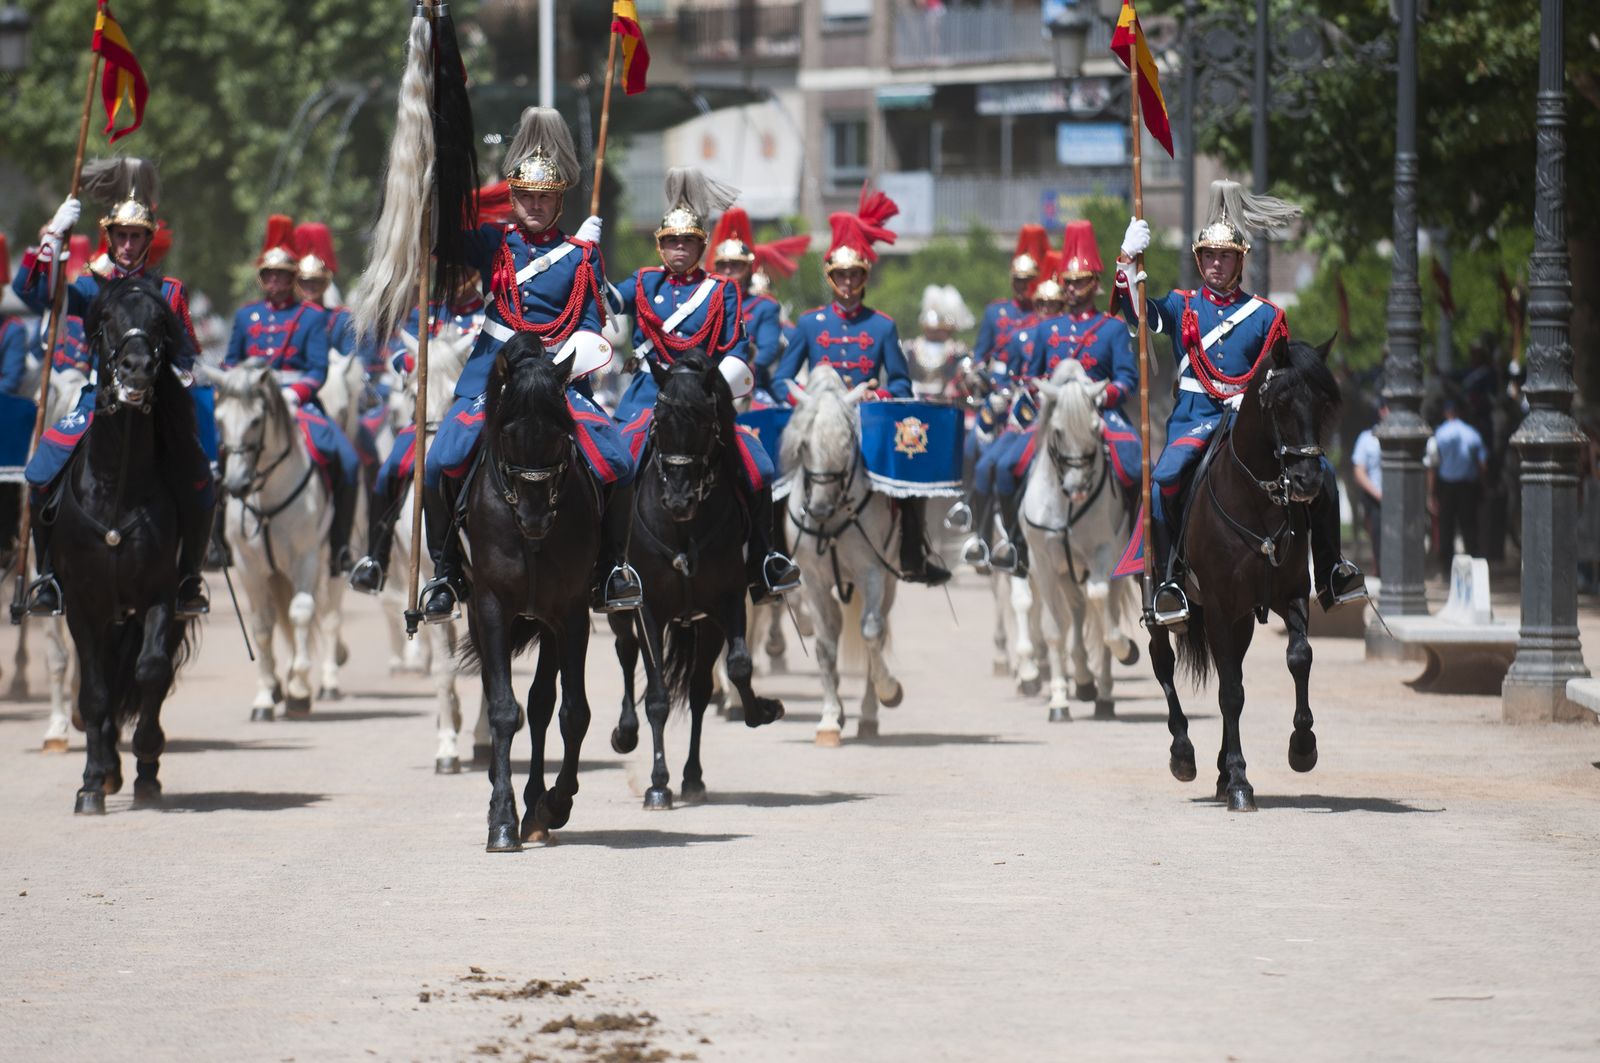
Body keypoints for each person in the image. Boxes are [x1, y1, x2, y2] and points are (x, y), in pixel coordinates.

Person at [352, 107, 632, 620]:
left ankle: (611, 568)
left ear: (559, 199)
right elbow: (438, 239)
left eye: (544, 198)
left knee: (618, 462)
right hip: (493, 378)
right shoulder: (493, 244)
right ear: (513, 197)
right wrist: (427, 180)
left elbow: (591, 321)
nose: (534, 206)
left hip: (556, 380)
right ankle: (446, 574)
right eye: (525, 196)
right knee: (438, 463)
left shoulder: (581, 255)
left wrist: (566, 364)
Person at [1116, 179, 1366, 625]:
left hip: (1250, 421)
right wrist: (1126, 260)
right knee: (1162, 484)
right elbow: (1136, 314)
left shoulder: (1267, 316)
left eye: (1225, 256)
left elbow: (1286, 376)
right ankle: (1171, 580)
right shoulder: (1181, 305)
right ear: (1198, 259)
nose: (1216, 263)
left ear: (1240, 261)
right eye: (1209, 255)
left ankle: (1330, 571)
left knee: (1323, 475)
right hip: (1195, 419)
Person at [11, 158, 213, 619]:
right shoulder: (90, 288)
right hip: (100, 398)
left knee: (201, 479)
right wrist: (49, 239)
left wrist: (182, 375)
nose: (127, 244)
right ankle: (49, 579)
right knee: (42, 470)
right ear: (110, 238)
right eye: (120, 235)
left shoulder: (168, 291)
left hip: (156, 403)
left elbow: (187, 353)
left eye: (135, 236)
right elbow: (32, 294)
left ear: (147, 240)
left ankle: (188, 579)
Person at [612, 172, 800, 604]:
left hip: (702, 403)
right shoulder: (642, 283)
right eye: (672, 242)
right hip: (647, 397)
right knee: (613, 464)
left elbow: (736, 345)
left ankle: (764, 564)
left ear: (702, 248)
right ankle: (610, 564)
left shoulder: (721, 290)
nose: (679, 250)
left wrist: (714, 390)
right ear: (660, 246)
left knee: (760, 467)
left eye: (688, 243)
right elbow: (602, 300)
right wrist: (586, 261)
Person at [771, 184, 950, 586]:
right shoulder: (809, 324)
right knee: (777, 473)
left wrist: (878, 394)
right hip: (818, 418)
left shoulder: (882, 325)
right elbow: (782, 378)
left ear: (864, 275)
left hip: (866, 419)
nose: (848, 282)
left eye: (854, 274)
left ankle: (913, 553)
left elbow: (901, 382)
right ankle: (775, 559)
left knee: (907, 477)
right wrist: (807, 398)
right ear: (830, 276)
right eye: (840, 274)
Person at [225, 216, 361, 579]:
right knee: (212, 458)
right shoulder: (245, 316)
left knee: (346, 461)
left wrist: (293, 394)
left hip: (296, 404)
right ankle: (216, 542)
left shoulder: (311, 317)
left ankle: (341, 547)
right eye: (269, 275)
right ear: (262, 278)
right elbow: (230, 362)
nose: (276, 282)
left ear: (292, 279)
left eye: (283, 275)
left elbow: (317, 370)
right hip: (251, 403)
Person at [706, 207, 811, 394]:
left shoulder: (765, 307)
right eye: (723, 265)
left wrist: (734, 374)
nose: (728, 271)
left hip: (749, 384)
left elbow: (767, 350)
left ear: (748, 268)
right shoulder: (704, 303)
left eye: (735, 265)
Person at [974, 225, 1047, 365]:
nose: (1022, 285)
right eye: (1018, 280)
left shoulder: (1046, 313)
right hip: (1000, 382)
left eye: (1027, 280)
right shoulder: (994, 312)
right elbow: (980, 355)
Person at [1429, 398, 1487, 573]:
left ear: (1446, 413)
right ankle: (1474, 564)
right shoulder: (1473, 433)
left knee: (1446, 526)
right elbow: (1483, 465)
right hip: (1468, 486)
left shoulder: (1439, 434)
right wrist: (1482, 485)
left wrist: (1431, 493)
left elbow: (1432, 464)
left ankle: (1447, 568)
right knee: (1469, 525)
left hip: (1447, 486)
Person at [905, 284, 974, 401]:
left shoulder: (958, 350)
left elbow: (964, 380)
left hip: (945, 400)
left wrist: (953, 386)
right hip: (914, 396)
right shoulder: (911, 347)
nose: (934, 332)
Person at [1350, 403, 1385, 576]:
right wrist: (1379, 495)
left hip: (1401, 501)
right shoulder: (1367, 438)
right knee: (1378, 542)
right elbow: (1359, 472)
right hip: (1376, 500)